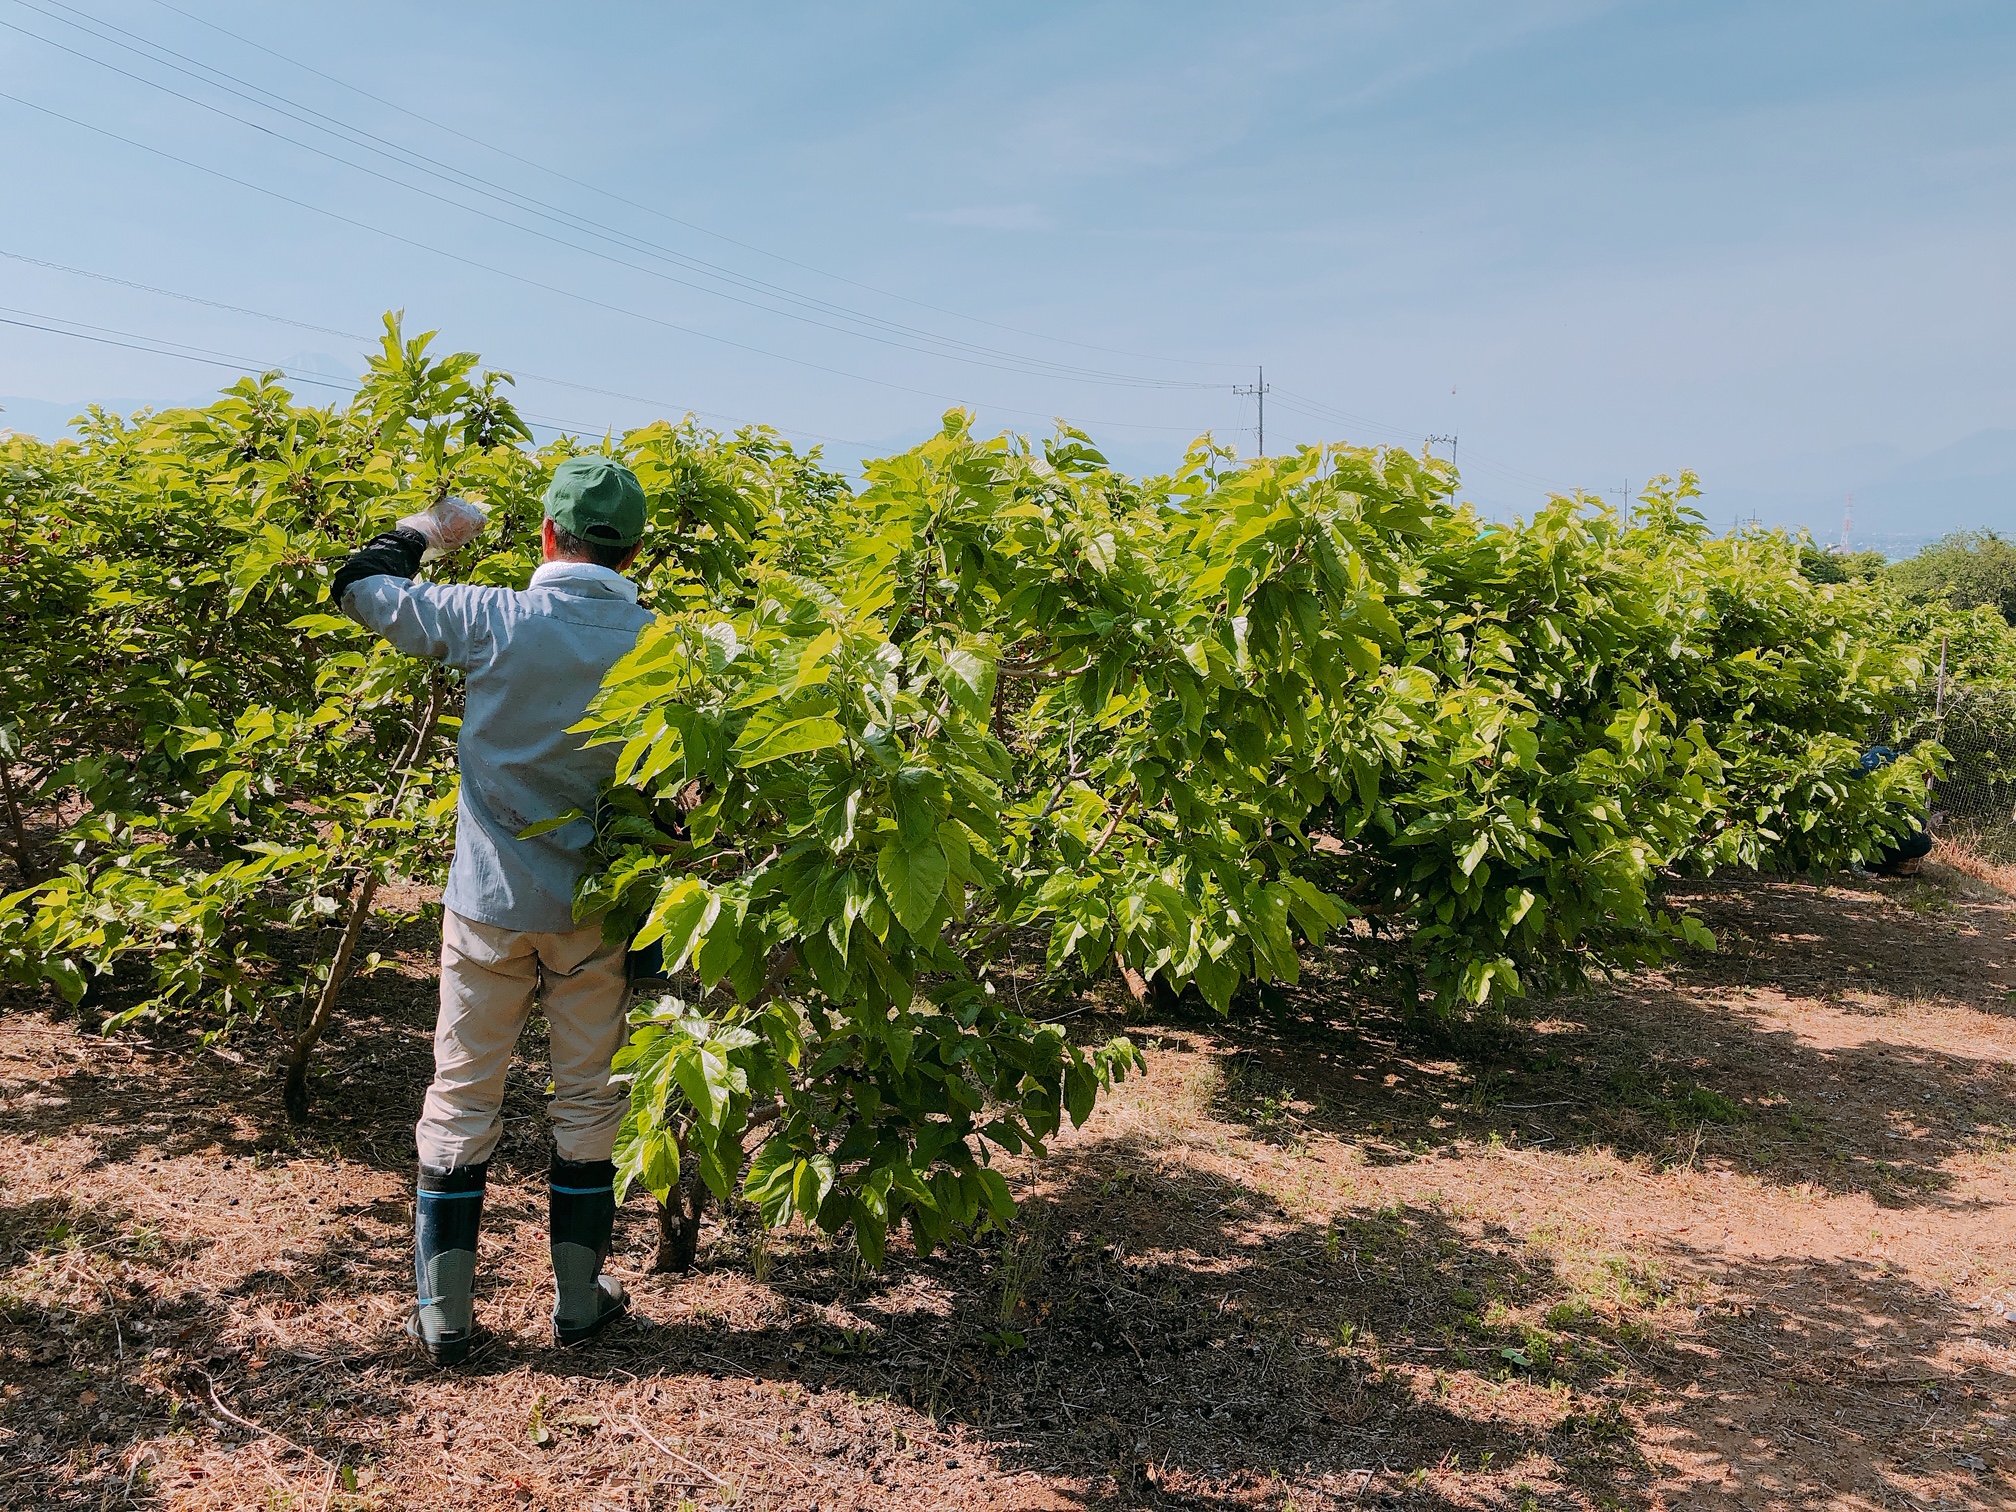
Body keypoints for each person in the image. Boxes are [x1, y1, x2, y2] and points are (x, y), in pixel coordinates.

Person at [331, 457, 655, 1365]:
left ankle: (445, 1315)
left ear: (549, 536)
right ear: (634, 549)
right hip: (595, 913)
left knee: (463, 1093)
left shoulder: (492, 618)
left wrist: (429, 531)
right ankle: (581, 1301)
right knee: (590, 1096)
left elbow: (358, 585)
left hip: (486, 905)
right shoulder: (664, 644)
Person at [1858, 745, 1934, 876]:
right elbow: (1913, 821)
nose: (1927, 777)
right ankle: (1872, 864)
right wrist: (1924, 822)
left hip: (1853, 820)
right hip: (1875, 830)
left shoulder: (1885, 754)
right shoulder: (1908, 781)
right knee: (1923, 842)